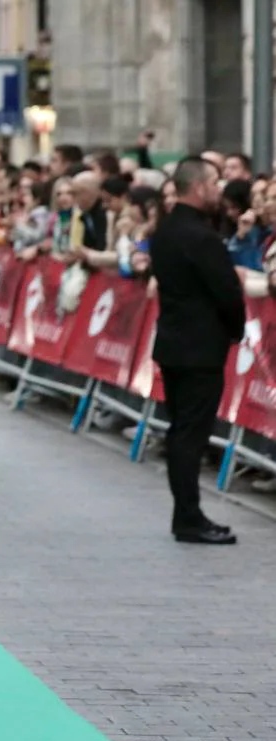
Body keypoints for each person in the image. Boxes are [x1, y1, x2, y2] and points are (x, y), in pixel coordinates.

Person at [148, 157, 245, 545]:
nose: (219, 190)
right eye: (215, 183)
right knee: (191, 433)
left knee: (180, 431)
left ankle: (186, 512)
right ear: (199, 187)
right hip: (200, 349)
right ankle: (188, 517)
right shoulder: (201, 237)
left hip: (173, 343)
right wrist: (235, 331)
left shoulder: (166, 231)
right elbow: (227, 293)